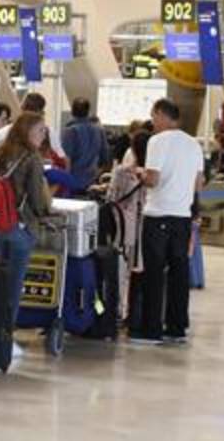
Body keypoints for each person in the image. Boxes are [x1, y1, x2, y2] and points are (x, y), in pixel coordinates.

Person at [130, 98, 203, 346]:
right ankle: (177, 327)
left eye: (153, 115)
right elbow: (198, 183)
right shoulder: (193, 143)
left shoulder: (157, 141)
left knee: (154, 273)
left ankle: (151, 329)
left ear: (161, 115)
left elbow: (152, 179)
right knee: (179, 273)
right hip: (182, 217)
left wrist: (139, 172)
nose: (152, 121)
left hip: (158, 214)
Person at [0, 111, 53, 360]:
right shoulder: (31, 159)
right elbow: (36, 198)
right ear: (27, 132)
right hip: (18, 228)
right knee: (13, 288)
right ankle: (5, 339)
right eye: (40, 131)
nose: (44, 136)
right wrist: (46, 214)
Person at [103, 131, 150, 320]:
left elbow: (111, 198)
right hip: (145, 227)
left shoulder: (122, 171)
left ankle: (117, 310)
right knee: (139, 271)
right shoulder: (153, 175)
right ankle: (135, 313)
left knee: (121, 272)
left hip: (122, 227)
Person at [61, 98, 110, 192]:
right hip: (92, 181)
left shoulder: (70, 131)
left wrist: (65, 183)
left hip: (73, 182)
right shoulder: (99, 130)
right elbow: (105, 157)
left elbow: (67, 159)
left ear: (72, 112)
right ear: (88, 111)